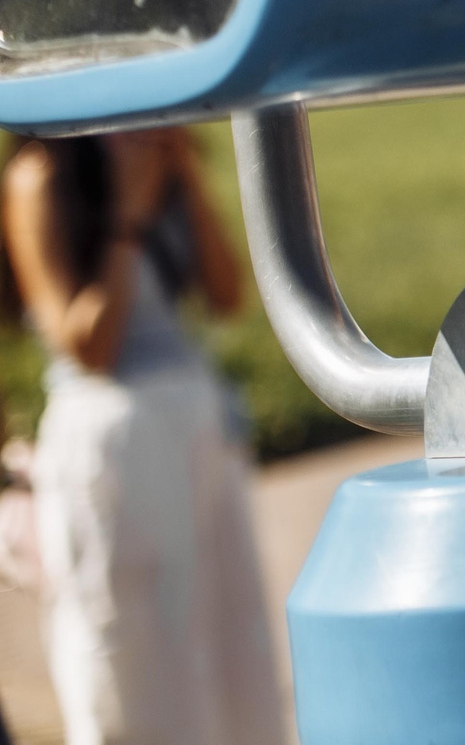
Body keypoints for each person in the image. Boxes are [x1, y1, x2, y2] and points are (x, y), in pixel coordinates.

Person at [1, 128, 287, 745]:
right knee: (132, 656)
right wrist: (126, 218)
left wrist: (183, 176)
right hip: (110, 441)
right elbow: (88, 347)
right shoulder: (41, 177)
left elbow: (226, 295)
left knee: (228, 643)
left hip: (197, 427)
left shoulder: (160, 157)